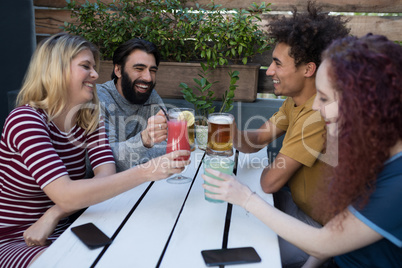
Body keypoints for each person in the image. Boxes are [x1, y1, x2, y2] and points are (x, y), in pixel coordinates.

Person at [203, 33, 402, 267]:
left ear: (362, 103)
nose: (317, 106)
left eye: (325, 98)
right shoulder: (372, 152)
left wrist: (246, 198)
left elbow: (323, 243)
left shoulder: (397, 180)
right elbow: (338, 227)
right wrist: (234, 135)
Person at [0, 33, 189, 268]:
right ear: (56, 70)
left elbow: (106, 179)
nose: (96, 75)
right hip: (16, 239)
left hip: (67, 229)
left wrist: (55, 213)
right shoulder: (26, 120)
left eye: (94, 67)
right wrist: (148, 171)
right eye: (85, 66)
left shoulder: (88, 118)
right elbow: (67, 193)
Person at [233, 1, 350, 266]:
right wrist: (231, 133)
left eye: (277, 63)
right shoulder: (295, 100)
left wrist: (250, 178)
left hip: (317, 231)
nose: (270, 71)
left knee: (242, 251)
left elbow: (269, 183)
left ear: (308, 69)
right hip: (292, 205)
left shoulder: (317, 116)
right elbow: (259, 139)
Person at [97, 38, 168, 172]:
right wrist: (144, 140)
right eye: (139, 68)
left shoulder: (151, 96)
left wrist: (131, 156)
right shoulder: (100, 98)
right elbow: (106, 163)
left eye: (152, 70)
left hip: (142, 184)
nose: (148, 78)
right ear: (118, 70)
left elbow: (167, 146)